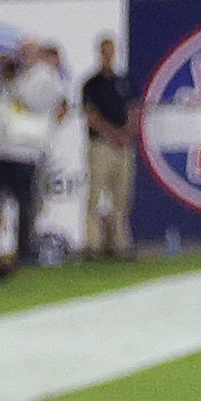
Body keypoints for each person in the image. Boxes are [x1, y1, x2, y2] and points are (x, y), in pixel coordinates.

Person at [0, 39, 65, 271]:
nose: (24, 56)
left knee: (25, 206)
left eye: (29, 51)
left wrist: (14, 78)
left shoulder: (47, 76)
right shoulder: (13, 72)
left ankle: (24, 252)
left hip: (25, 152)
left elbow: (33, 102)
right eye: (21, 51)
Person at [81, 35, 134, 260]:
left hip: (124, 146)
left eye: (112, 51)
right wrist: (113, 134)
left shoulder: (123, 81)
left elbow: (134, 109)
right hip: (102, 144)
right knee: (96, 195)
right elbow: (91, 116)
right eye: (105, 51)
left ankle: (119, 243)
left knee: (122, 196)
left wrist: (127, 133)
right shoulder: (91, 84)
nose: (108, 55)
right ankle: (93, 243)